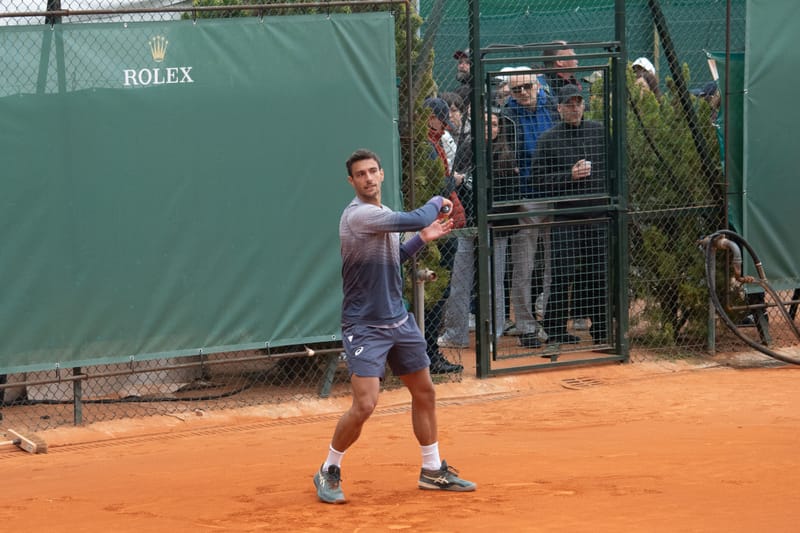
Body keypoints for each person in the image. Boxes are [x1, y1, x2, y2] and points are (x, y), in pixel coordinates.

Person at [313, 149, 477, 504]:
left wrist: (423, 238)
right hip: (365, 326)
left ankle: (432, 470)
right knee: (365, 404)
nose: (369, 178)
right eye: (361, 174)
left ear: (382, 175)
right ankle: (328, 469)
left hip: (399, 320)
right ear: (352, 182)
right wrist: (437, 201)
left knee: (425, 392)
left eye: (373, 171)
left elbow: (395, 257)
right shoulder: (358, 216)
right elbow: (416, 216)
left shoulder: (383, 215)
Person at [532, 85, 608, 347]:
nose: (574, 108)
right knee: (562, 273)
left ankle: (601, 328)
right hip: (566, 217)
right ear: (559, 108)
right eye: (569, 104)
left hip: (598, 215)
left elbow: (614, 168)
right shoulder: (549, 139)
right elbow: (537, 180)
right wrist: (569, 176)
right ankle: (554, 329)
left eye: (578, 103)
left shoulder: (599, 132)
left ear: (583, 106)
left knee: (598, 272)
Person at [438, 109, 516, 349]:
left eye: (494, 124)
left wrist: (468, 180)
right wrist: (462, 181)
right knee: (460, 281)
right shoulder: (467, 148)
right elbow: (456, 185)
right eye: (485, 124)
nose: (490, 128)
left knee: (494, 281)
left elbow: (508, 192)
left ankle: (494, 335)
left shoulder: (506, 152)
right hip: (469, 224)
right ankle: (455, 334)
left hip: (495, 226)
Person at [502, 68, 555, 349]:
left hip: (557, 191)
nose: (522, 93)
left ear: (537, 85)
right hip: (526, 194)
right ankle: (525, 325)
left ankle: (550, 320)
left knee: (554, 263)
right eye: (516, 89)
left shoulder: (552, 108)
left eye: (526, 87)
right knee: (524, 263)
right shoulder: (507, 116)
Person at [422, 97, 466, 373]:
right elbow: (438, 183)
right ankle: (429, 355)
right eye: (441, 118)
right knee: (436, 292)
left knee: (438, 291)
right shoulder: (427, 146)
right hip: (437, 224)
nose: (444, 124)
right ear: (431, 118)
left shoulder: (434, 141)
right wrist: (455, 180)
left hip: (442, 221)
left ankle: (428, 354)